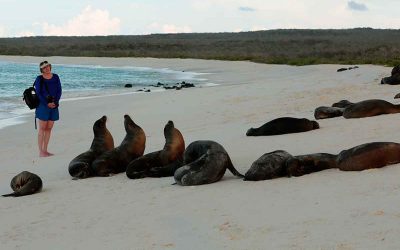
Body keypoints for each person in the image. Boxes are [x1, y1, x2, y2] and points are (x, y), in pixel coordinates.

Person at [34, 61, 62, 157]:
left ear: (50, 66)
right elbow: (38, 93)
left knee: (49, 128)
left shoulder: (56, 77)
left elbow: (59, 90)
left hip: (54, 105)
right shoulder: (39, 79)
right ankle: (41, 152)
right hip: (43, 106)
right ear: (41, 70)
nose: (47, 68)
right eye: (44, 67)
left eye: (48, 66)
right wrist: (47, 103)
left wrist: (56, 102)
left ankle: (45, 150)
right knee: (42, 128)